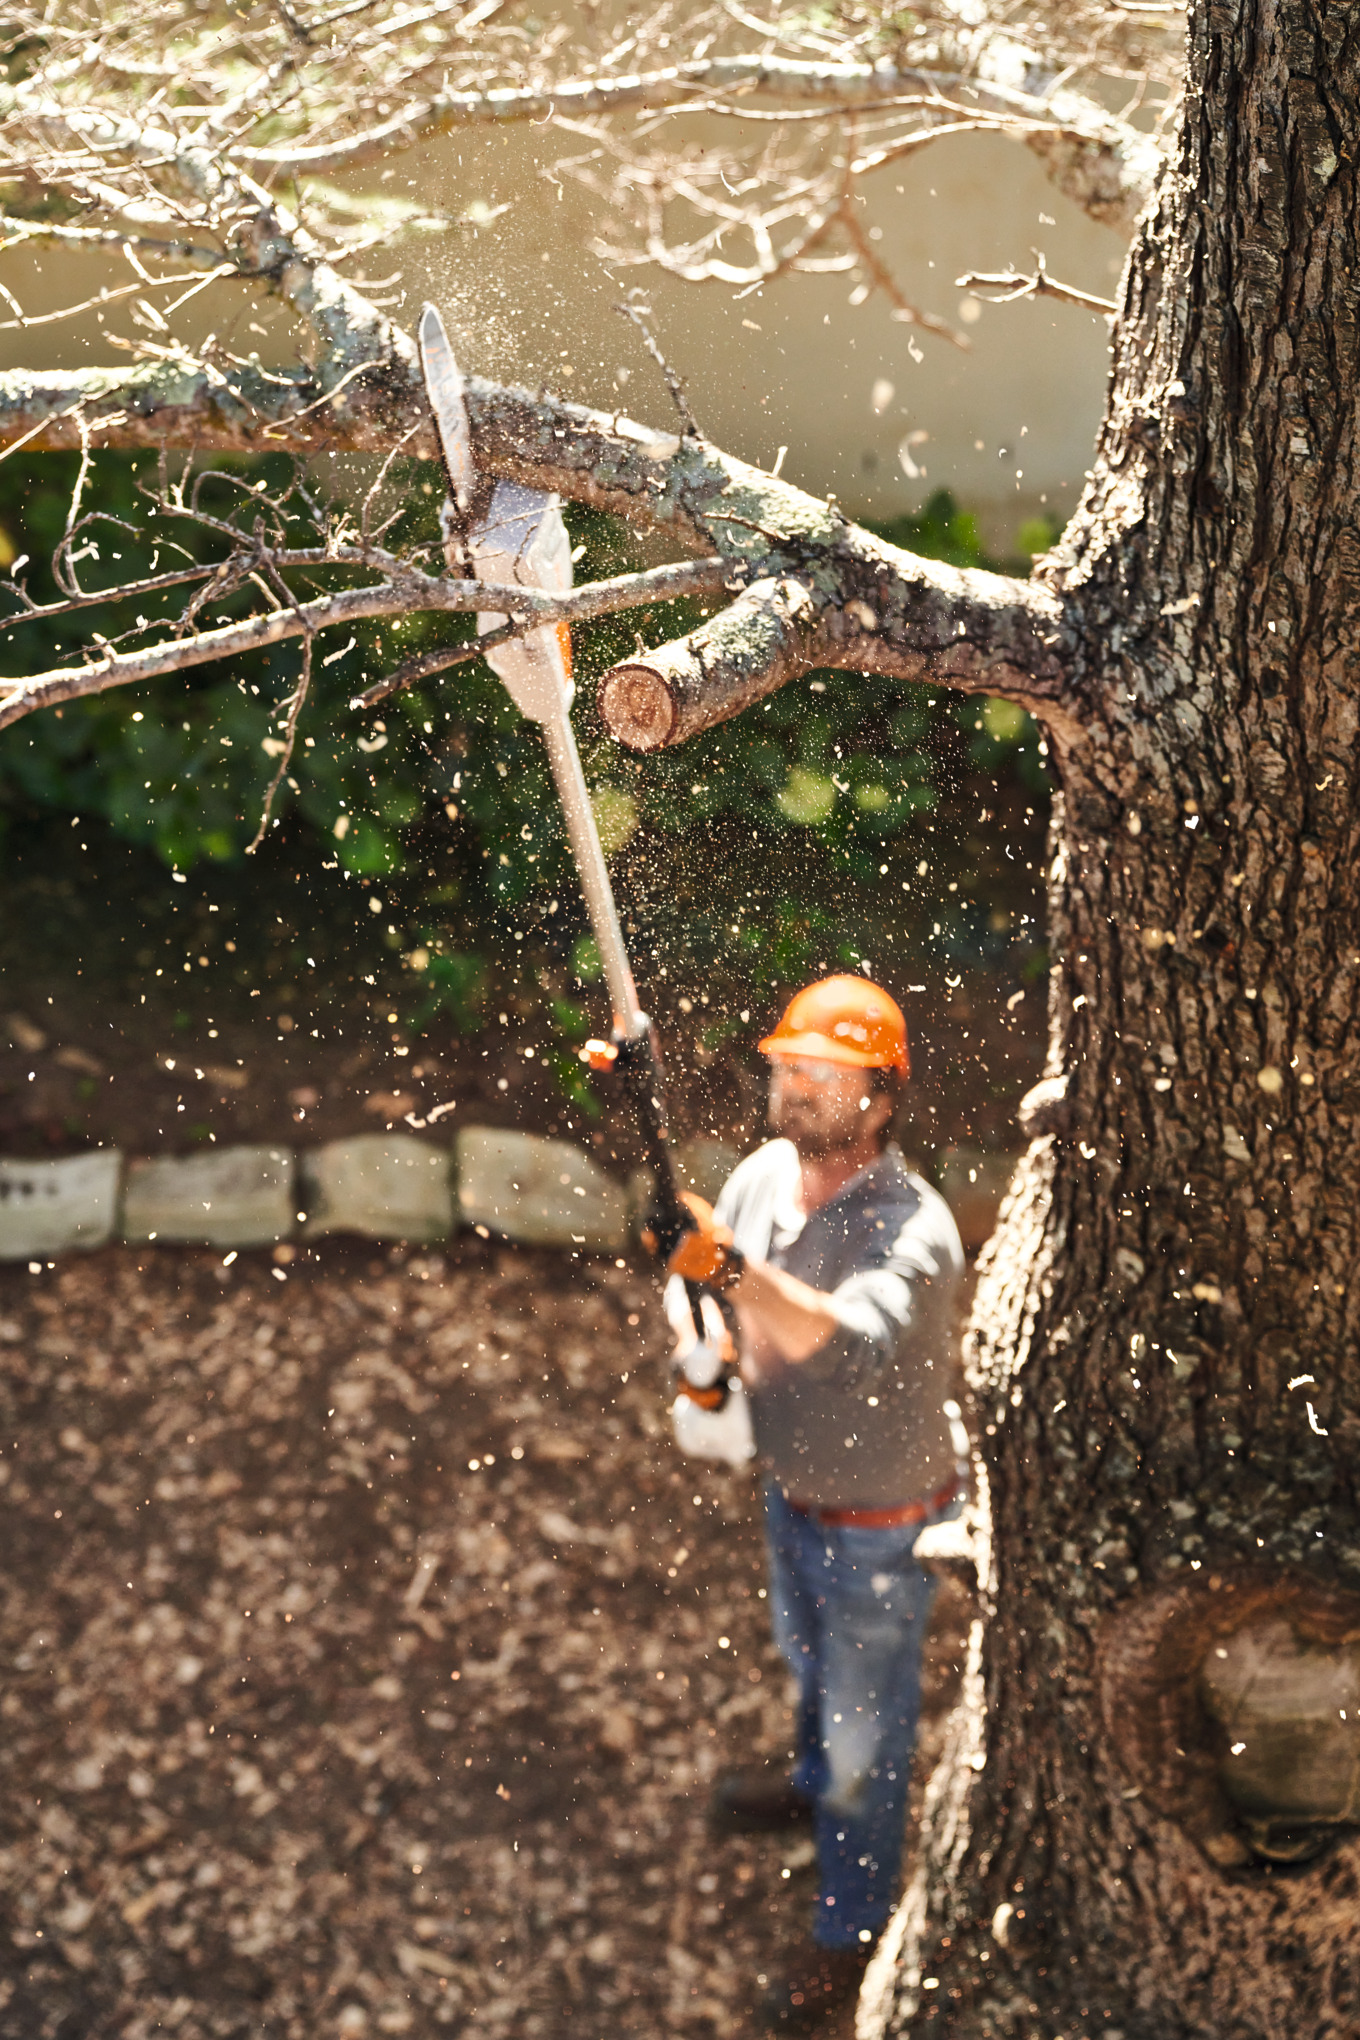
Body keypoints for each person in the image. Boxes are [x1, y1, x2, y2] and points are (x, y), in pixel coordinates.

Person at [662, 975, 965, 2030]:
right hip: (794, 1494)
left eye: (821, 1073)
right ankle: (808, 1780)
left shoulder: (913, 1233)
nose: (792, 1086)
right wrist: (702, 1352)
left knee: (864, 1743)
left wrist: (731, 1271)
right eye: (785, 1064)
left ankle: (850, 1929)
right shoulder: (760, 1177)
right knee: (806, 1665)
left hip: (880, 1525)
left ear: (879, 1099)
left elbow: (838, 1342)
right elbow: (712, 1297)